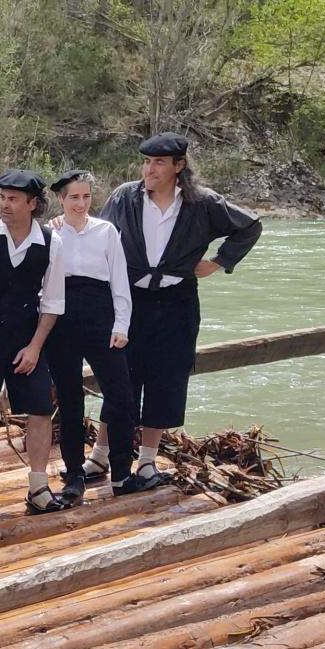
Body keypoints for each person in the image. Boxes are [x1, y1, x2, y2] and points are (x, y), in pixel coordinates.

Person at [99, 132, 262, 494]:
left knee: (166, 379)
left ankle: (146, 460)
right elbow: (99, 236)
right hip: (128, 300)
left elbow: (250, 226)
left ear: (179, 166)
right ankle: (102, 454)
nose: (149, 169)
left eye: (158, 162)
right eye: (146, 161)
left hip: (177, 302)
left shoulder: (201, 202)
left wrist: (219, 262)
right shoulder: (125, 196)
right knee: (120, 377)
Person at [0, 170, 68, 513]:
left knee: (39, 410)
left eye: (13, 199)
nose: (5, 204)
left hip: (28, 340)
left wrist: (35, 347)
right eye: (2, 198)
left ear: (32, 204)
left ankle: (38, 486)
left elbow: (52, 303)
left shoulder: (52, 243)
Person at [48, 170, 137, 509]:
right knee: (70, 401)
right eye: (74, 197)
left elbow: (119, 281)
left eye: (86, 197)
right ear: (61, 199)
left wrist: (122, 325)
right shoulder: (51, 233)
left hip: (101, 317)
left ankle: (120, 474)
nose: (81, 203)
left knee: (121, 396)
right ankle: (74, 477)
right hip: (63, 319)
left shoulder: (106, 231)